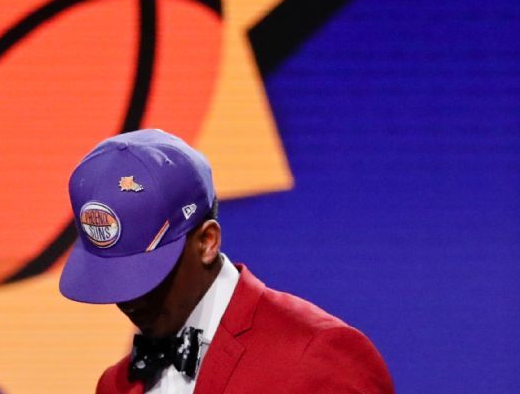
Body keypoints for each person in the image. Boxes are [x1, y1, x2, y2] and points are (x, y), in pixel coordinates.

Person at [59, 129, 393, 394]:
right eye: (113, 278)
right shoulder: (116, 385)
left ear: (207, 242)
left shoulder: (318, 357)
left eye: (144, 275)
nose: (127, 301)